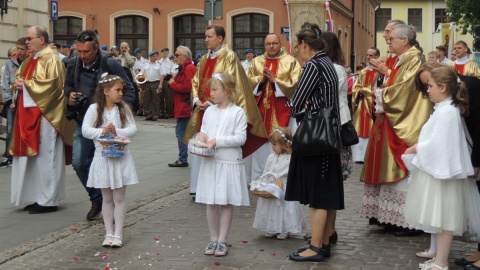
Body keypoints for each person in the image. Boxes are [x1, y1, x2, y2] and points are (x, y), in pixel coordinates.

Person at [359, 24, 433, 236]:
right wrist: (383, 77)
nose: (388, 41)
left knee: (402, 168)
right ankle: (388, 217)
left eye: (392, 39)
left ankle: (408, 221)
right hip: (388, 119)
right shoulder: (401, 59)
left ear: (405, 40)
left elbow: (405, 91)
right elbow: (393, 83)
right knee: (384, 164)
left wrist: (383, 83)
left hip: (404, 121)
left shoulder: (414, 59)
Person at [403, 66, 478, 270]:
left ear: (443, 87)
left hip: (443, 176)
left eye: (430, 86)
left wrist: (417, 148)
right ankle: (439, 259)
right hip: (439, 174)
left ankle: (441, 262)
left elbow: (440, 143)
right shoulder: (444, 108)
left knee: (444, 219)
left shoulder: (447, 112)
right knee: (439, 218)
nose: (428, 90)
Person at [183, 24, 267, 198]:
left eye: (209, 36)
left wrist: (211, 102)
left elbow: (230, 83)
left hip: (219, 108)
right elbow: (196, 81)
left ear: (220, 39)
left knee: (216, 142)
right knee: (202, 141)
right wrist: (197, 99)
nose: (206, 39)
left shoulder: (229, 57)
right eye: (205, 36)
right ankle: (200, 187)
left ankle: (220, 188)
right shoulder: (205, 58)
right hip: (203, 110)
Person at [286, 24, 344, 262]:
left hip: (315, 136)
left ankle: (316, 246)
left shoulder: (313, 65)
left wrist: (299, 105)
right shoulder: (328, 62)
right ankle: (326, 240)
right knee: (327, 190)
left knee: (318, 193)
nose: (297, 50)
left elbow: (296, 101)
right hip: (329, 134)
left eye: (298, 45)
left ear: (305, 45)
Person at [64, 29, 136, 221]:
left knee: (111, 163)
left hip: (109, 123)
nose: (82, 56)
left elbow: (128, 88)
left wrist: (122, 113)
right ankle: (97, 198)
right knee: (79, 162)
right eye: (79, 51)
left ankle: (111, 203)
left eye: (86, 52)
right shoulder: (73, 62)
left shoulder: (109, 63)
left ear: (96, 49)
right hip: (85, 121)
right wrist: (70, 93)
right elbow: (68, 85)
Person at [10, 25, 76, 213]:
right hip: (27, 116)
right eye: (26, 38)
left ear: (42, 39)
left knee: (47, 159)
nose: (27, 41)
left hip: (46, 118)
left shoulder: (52, 60)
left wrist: (27, 85)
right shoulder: (29, 60)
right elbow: (18, 81)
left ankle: (49, 200)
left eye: (30, 38)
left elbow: (54, 87)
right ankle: (36, 195)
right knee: (33, 160)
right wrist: (16, 84)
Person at [194, 73, 250, 257]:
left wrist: (217, 140)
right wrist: (201, 137)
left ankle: (222, 239)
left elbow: (241, 138)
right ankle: (213, 237)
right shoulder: (209, 111)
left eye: (215, 89)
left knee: (225, 202)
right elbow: (204, 130)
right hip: (211, 162)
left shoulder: (237, 112)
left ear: (227, 91)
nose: (211, 92)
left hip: (228, 162)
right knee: (211, 202)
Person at [82, 74, 138, 248]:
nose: (121, 93)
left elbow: (133, 129)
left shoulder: (123, 109)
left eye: (121, 90)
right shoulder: (94, 109)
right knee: (107, 198)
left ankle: (118, 233)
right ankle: (108, 233)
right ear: (106, 91)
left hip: (120, 158)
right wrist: (102, 132)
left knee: (119, 198)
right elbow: (85, 130)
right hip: (102, 158)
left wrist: (117, 131)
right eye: (117, 90)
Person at [245, 33, 302, 183]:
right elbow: (247, 83)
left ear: (280, 44)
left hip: (282, 111)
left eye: (274, 43)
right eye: (268, 44)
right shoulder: (257, 62)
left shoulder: (291, 61)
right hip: (261, 112)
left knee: (281, 142)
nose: (271, 46)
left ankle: (280, 179)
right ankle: (258, 179)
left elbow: (295, 84)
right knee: (259, 148)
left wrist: (274, 81)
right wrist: (261, 81)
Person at [252, 127, 305, 240]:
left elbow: (294, 174)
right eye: (272, 144)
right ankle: (272, 228)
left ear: (284, 144)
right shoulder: (271, 157)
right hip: (272, 188)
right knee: (271, 209)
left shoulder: (291, 158)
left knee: (284, 209)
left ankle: (284, 229)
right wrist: (262, 184)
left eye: (275, 144)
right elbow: (266, 172)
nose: (272, 147)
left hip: (284, 188)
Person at [167, 46, 197, 167]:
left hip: (185, 106)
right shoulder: (186, 67)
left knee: (181, 133)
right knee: (183, 132)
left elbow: (188, 87)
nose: (175, 57)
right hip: (183, 105)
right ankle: (183, 157)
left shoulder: (189, 68)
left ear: (184, 57)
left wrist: (173, 84)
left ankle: (183, 158)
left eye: (177, 55)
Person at [1, 38, 28, 168]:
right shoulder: (10, 62)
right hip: (12, 101)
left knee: (25, 127)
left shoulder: (30, 61)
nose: (20, 51)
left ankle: (23, 153)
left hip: (26, 100)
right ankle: (8, 156)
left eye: (22, 49)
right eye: (18, 48)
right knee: (10, 128)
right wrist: (8, 101)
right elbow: (5, 83)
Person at [351, 47, 380, 163]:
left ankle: (371, 155)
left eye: (371, 56)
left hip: (373, 104)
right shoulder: (363, 72)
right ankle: (359, 156)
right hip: (362, 104)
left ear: (377, 57)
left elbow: (379, 88)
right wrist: (359, 91)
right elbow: (355, 87)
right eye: (367, 55)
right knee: (360, 129)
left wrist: (367, 91)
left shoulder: (380, 72)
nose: (368, 58)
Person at [139, 51, 163, 121]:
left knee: (155, 99)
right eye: (154, 56)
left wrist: (160, 84)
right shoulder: (145, 64)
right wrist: (140, 82)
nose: (155, 57)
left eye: (156, 56)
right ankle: (149, 113)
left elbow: (162, 75)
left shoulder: (159, 65)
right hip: (147, 83)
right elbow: (141, 74)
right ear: (150, 57)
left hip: (155, 83)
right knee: (147, 99)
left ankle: (155, 114)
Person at [158, 47, 174, 119]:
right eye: (163, 52)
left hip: (167, 80)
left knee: (168, 97)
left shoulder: (170, 62)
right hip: (160, 80)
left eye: (165, 52)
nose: (164, 53)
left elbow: (172, 71)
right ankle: (161, 112)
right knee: (160, 97)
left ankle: (168, 112)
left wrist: (167, 75)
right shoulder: (159, 62)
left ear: (168, 53)